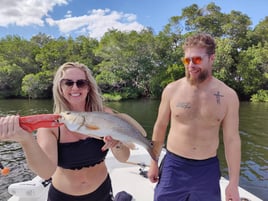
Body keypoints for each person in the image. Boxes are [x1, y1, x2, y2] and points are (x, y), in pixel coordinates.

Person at [0, 62, 131, 201]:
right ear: (60, 88)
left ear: (88, 88)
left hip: (103, 192)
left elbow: (124, 157)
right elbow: (45, 172)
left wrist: (117, 144)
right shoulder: (50, 126)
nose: (75, 87)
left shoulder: (105, 116)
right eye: (68, 83)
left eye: (81, 83)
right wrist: (26, 139)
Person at [147, 33, 241, 201]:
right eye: (187, 60)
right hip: (174, 165)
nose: (190, 65)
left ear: (212, 58)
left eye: (197, 60)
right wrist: (154, 163)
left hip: (207, 168)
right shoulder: (171, 90)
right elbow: (160, 127)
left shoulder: (228, 96)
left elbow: (232, 140)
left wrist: (233, 182)